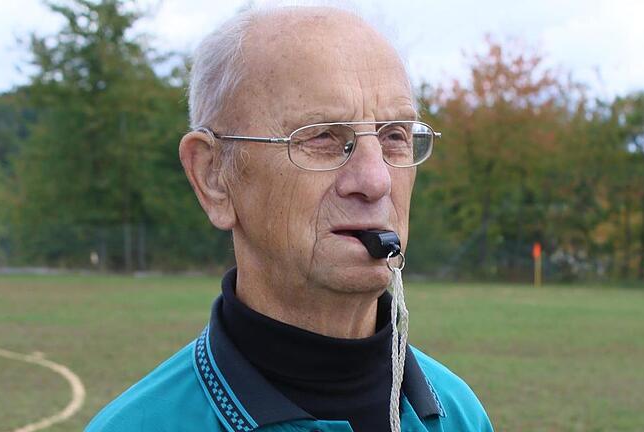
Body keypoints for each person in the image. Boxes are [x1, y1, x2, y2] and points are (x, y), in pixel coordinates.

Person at [86, 4, 493, 432]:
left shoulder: (459, 414)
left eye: (394, 136)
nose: (376, 181)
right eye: (322, 136)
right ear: (213, 176)